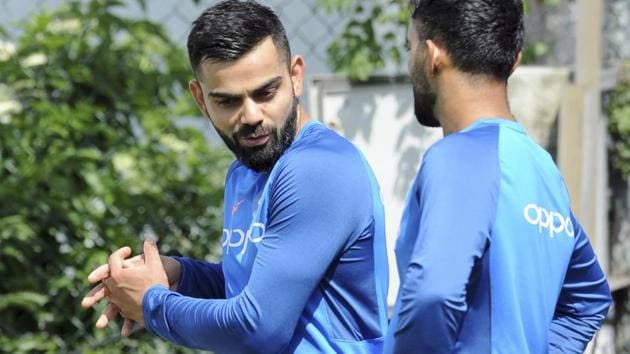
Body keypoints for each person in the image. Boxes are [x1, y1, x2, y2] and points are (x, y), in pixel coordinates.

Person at [81, 1, 389, 352]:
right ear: (200, 99)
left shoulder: (317, 168)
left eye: (265, 92)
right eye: (227, 101)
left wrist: (152, 303)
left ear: (296, 76)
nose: (251, 116)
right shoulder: (245, 169)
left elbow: (256, 328)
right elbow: (252, 288)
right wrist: (179, 276)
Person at [385, 0, 612, 353]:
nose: (408, 58)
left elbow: (434, 293)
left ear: (432, 55)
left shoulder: (458, 156)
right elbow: (587, 300)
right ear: (515, 60)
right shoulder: (543, 169)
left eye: (409, 45)